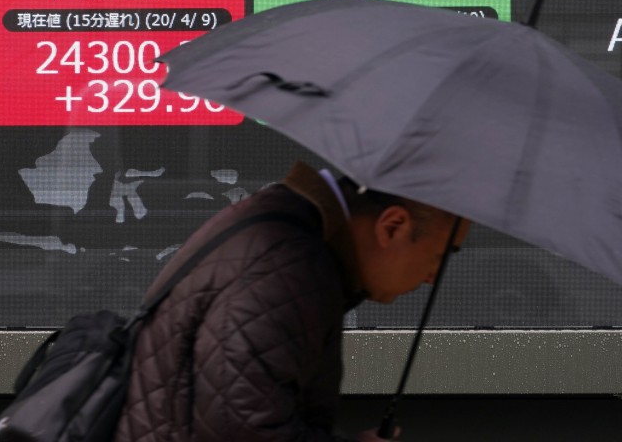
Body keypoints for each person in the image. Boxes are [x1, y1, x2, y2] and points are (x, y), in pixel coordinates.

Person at [114, 161, 470, 442]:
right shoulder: (289, 266)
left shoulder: (284, 227)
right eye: (440, 255)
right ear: (393, 226)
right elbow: (244, 430)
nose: (433, 276)